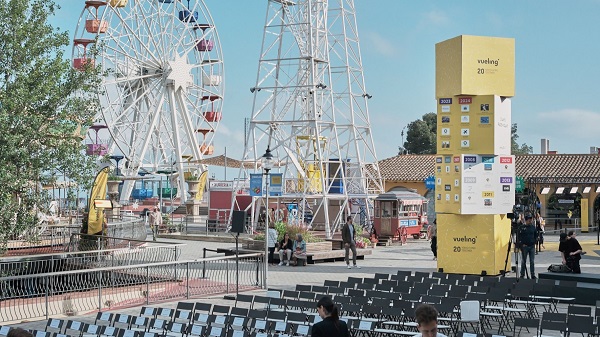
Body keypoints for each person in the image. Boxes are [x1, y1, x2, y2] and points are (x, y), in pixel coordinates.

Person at [517, 214, 537, 279]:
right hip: (524, 246)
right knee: (523, 261)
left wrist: (535, 241)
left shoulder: (533, 227)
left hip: (532, 246)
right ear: (526, 220)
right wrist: (521, 244)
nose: (530, 221)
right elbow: (519, 237)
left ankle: (532, 274)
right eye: (529, 220)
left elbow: (535, 235)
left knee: (532, 261)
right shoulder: (522, 227)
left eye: (530, 220)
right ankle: (522, 274)